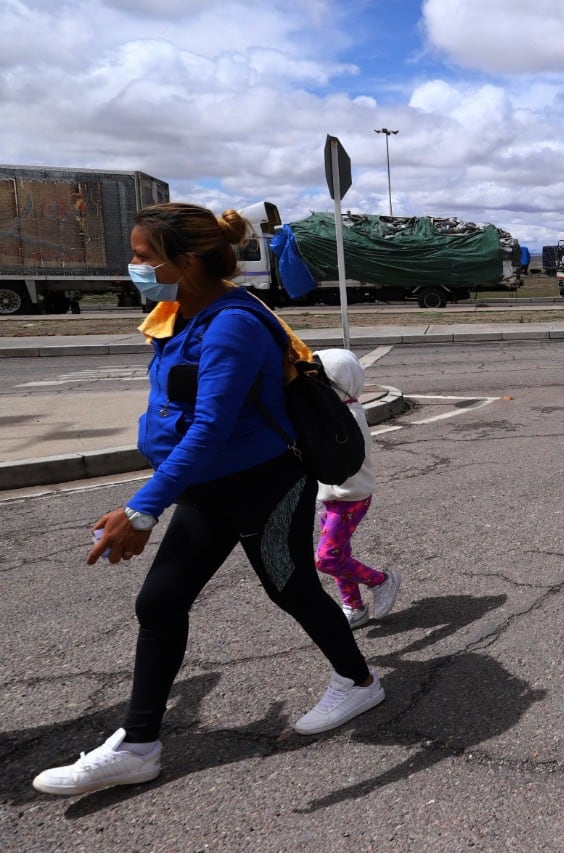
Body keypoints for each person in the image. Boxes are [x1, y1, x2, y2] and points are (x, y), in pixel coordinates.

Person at [33, 203, 384, 797]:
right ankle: (139, 745)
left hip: (263, 485)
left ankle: (358, 681)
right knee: (161, 602)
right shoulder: (178, 312)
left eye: (143, 256)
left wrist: (143, 507)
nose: (134, 266)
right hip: (204, 488)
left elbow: (210, 429)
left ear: (185, 259)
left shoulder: (231, 324)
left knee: (291, 586)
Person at [312, 348, 401, 627]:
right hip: (330, 497)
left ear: (338, 382)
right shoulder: (337, 409)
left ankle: (381, 582)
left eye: (321, 380)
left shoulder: (348, 416)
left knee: (327, 558)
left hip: (350, 499)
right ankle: (354, 606)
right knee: (340, 555)